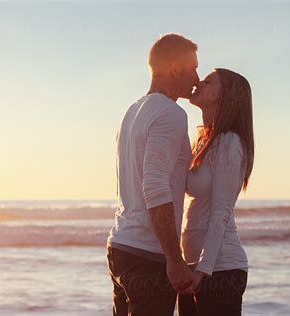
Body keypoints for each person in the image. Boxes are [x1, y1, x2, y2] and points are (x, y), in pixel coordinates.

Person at [106, 33, 200, 316]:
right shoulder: (171, 113)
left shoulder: (133, 111)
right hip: (147, 254)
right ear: (175, 69)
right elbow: (155, 186)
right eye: (193, 68)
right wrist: (174, 258)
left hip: (121, 247)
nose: (197, 77)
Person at [177, 68, 254, 316]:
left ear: (226, 96)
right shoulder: (202, 140)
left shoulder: (229, 142)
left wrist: (203, 270)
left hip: (220, 269)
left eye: (208, 81)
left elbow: (221, 211)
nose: (199, 82)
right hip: (193, 266)